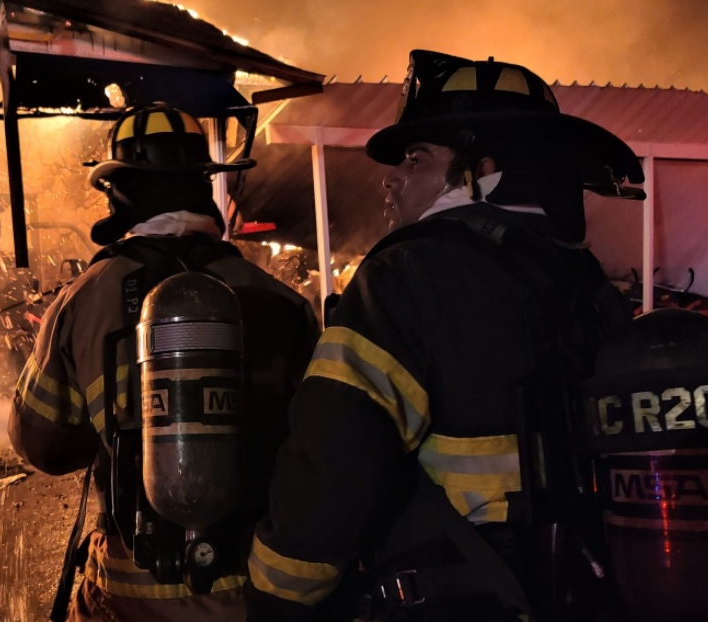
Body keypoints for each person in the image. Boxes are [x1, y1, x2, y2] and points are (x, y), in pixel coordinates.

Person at [244, 50, 643, 622]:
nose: (392, 178)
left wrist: (275, 593)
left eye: (415, 157)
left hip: (456, 597)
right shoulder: (586, 283)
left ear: (480, 171)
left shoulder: (403, 278)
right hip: (583, 591)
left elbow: (334, 464)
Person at [9, 102, 320, 622]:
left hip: (132, 594)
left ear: (120, 192)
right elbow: (321, 448)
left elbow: (43, 446)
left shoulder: (81, 300)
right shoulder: (285, 302)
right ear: (202, 184)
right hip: (258, 587)